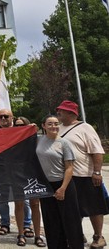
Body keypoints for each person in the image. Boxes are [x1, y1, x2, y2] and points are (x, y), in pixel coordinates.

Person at [56, 100, 107, 248]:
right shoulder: (57, 128)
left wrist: (96, 172)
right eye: (59, 110)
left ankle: (98, 236)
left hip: (85, 174)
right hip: (66, 176)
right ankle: (76, 234)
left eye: (62, 110)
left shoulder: (85, 128)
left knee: (94, 207)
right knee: (72, 208)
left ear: (72, 113)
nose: (59, 112)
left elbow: (96, 151)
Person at [36, 114, 83, 249]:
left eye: (56, 123)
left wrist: (62, 189)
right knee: (51, 221)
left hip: (64, 185)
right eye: (50, 124)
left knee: (71, 221)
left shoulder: (64, 143)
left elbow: (69, 168)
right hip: (46, 186)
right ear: (43, 126)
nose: (54, 126)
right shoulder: (39, 140)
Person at [0, 108, 25, 242]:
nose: (3, 119)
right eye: (0, 117)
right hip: (1, 171)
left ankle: (26, 225)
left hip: (19, 172)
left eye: (6, 117)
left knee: (24, 202)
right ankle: (5, 223)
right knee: (2, 199)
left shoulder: (20, 130)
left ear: (12, 118)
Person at [14, 117, 44, 247]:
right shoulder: (11, 139)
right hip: (17, 174)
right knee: (19, 204)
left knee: (35, 204)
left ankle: (37, 235)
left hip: (32, 173)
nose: (19, 127)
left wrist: (34, 131)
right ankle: (20, 234)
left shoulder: (35, 139)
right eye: (16, 125)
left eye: (22, 125)